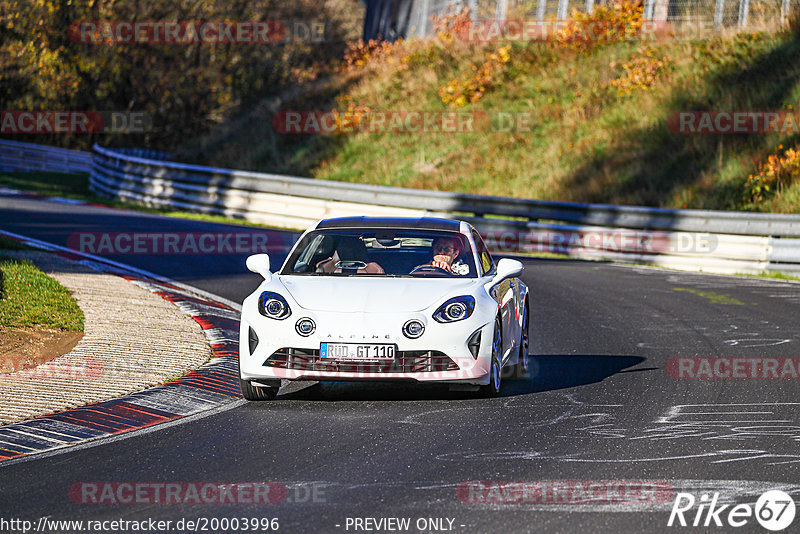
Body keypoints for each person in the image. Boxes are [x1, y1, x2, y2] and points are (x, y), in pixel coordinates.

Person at [316, 236, 384, 274]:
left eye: (349, 247)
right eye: (343, 246)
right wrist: (334, 260)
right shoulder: (329, 265)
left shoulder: (372, 268)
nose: (346, 249)